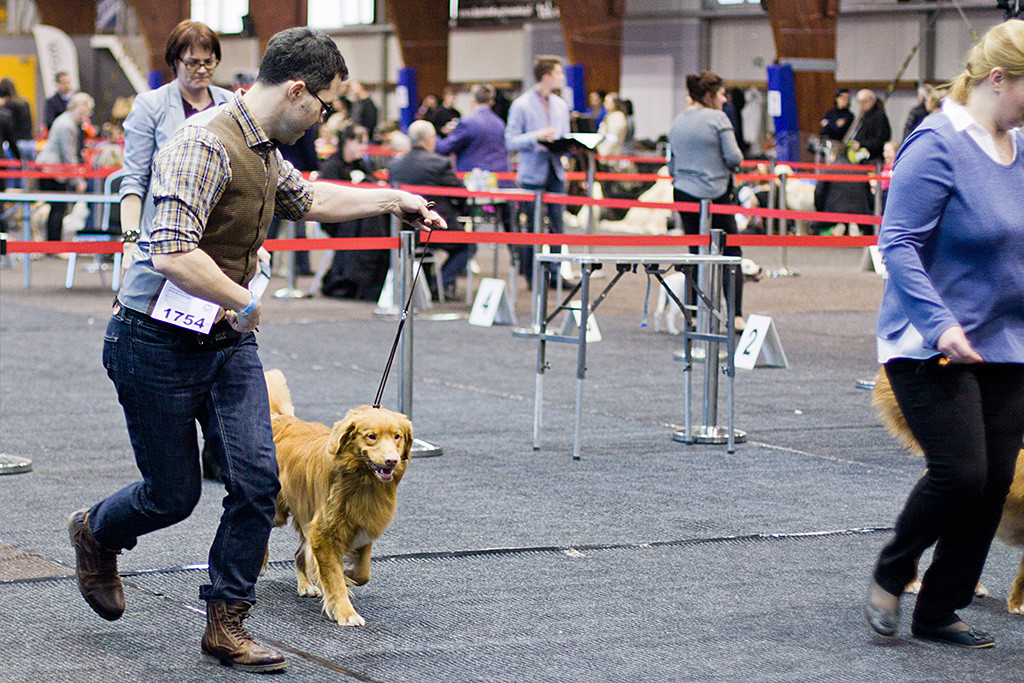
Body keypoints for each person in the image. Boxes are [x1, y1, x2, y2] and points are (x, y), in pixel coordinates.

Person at [67, 27, 444, 673]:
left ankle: (227, 620)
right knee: (172, 493)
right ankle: (96, 531)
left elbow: (311, 198)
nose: (323, 118)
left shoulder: (265, 147)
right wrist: (239, 298)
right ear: (296, 90)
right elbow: (171, 250)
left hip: (225, 342)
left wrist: (393, 198)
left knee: (257, 481)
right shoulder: (204, 143)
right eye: (323, 105)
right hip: (152, 341)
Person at [865, 18, 1024, 650]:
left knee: (993, 484)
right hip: (928, 343)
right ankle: (894, 568)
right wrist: (941, 324)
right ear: (997, 80)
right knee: (960, 472)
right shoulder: (936, 143)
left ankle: (940, 609)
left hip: (1007, 344)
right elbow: (897, 244)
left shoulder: (1021, 147)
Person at [118, 20, 235, 482]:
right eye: (192, 62)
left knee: (223, 342)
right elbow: (134, 179)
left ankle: (220, 446)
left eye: (209, 61)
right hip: (166, 246)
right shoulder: (150, 106)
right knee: (173, 343)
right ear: (174, 62)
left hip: (219, 246)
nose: (201, 69)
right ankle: (175, 458)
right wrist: (131, 240)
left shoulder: (231, 104)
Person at [667, 70, 745, 332]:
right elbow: (734, 157)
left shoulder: (677, 121)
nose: (724, 100)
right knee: (730, 255)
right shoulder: (718, 118)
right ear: (710, 95)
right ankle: (735, 316)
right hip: (716, 193)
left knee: (694, 256)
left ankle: (694, 314)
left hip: (684, 194)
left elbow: (671, 164)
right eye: (722, 94)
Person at [387, 119, 474, 299]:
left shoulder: (394, 165)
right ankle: (438, 284)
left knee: (424, 250)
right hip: (435, 226)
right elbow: (461, 193)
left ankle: (427, 286)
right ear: (428, 139)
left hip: (403, 228)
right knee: (467, 246)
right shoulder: (439, 163)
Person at [504, 55, 571, 285]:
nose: (562, 77)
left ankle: (555, 273)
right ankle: (533, 275)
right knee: (532, 227)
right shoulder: (521, 105)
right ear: (547, 76)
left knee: (557, 226)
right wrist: (537, 136)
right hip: (532, 173)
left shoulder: (561, 105)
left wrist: (571, 145)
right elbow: (510, 141)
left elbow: (565, 135)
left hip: (555, 171)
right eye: (559, 73)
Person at [319, 123, 391, 300]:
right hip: (335, 220)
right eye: (360, 143)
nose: (364, 148)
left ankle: (370, 276)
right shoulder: (331, 166)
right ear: (348, 142)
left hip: (359, 217)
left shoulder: (360, 164)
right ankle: (358, 277)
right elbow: (327, 200)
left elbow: (373, 184)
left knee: (374, 219)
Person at [35, 92, 93, 243]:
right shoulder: (67, 126)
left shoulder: (66, 121)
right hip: (53, 171)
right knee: (58, 209)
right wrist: (78, 180)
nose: (85, 117)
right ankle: (54, 246)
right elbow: (69, 157)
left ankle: (52, 245)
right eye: (84, 113)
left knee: (55, 209)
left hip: (50, 168)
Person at [850, 89, 892, 163]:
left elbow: (880, 139)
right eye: (859, 102)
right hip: (862, 156)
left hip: (874, 158)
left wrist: (861, 144)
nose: (861, 105)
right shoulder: (864, 116)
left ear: (872, 100)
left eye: (864, 101)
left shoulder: (879, 117)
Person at [0, 77, 34, 158]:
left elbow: (8, 131)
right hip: (30, 143)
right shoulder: (24, 102)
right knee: (30, 169)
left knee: (13, 170)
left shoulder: (6, 106)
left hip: (17, 144)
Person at [595, 93, 628, 158]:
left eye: (607, 102)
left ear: (614, 104)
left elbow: (613, 138)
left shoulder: (617, 117)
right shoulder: (610, 115)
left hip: (611, 156)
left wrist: (602, 152)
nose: (604, 104)